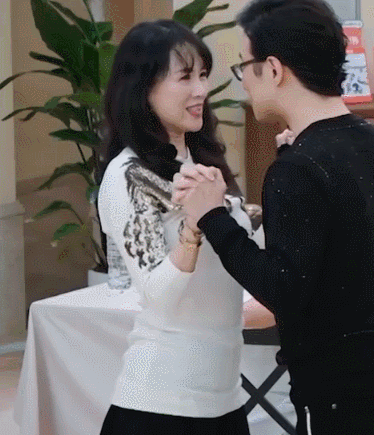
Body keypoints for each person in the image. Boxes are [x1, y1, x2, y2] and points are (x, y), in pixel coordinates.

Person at [173, 1, 374, 434]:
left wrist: (212, 216)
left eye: (245, 68)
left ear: (274, 70)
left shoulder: (298, 167)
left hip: (341, 396)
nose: (244, 82)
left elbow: (282, 289)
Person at [97, 20, 252, 435]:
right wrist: (194, 228)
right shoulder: (128, 175)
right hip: (162, 403)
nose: (201, 90)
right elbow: (158, 295)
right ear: (143, 89)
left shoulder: (200, 160)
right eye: (185, 77)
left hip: (225, 397)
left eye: (203, 75)